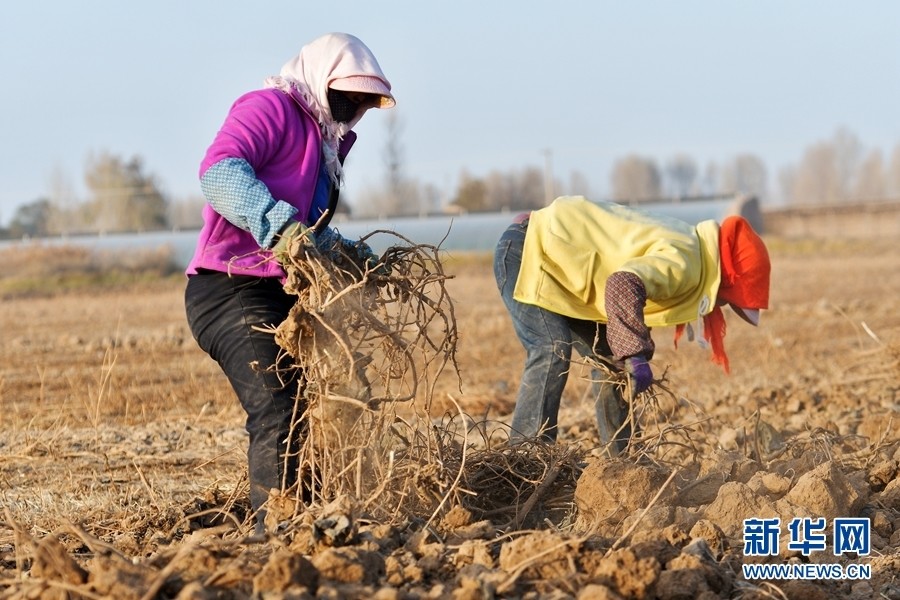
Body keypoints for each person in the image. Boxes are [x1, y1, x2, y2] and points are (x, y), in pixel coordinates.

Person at [183, 33, 395, 533]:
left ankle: (313, 521)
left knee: (307, 408)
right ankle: (275, 534)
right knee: (277, 403)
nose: (354, 109)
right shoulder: (271, 107)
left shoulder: (326, 145)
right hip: (230, 285)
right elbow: (219, 171)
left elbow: (309, 230)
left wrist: (351, 257)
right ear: (321, 78)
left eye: (363, 102)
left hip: (280, 293)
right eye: (348, 95)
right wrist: (276, 226)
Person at [494, 195, 770, 454]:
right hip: (528, 249)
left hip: (558, 264)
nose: (722, 306)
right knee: (551, 348)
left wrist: (627, 353)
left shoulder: (693, 250)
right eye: (729, 301)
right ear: (728, 279)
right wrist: (634, 354)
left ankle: (621, 463)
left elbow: (634, 298)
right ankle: (525, 457)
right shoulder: (685, 261)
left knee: (610, 357)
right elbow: (623, 283)